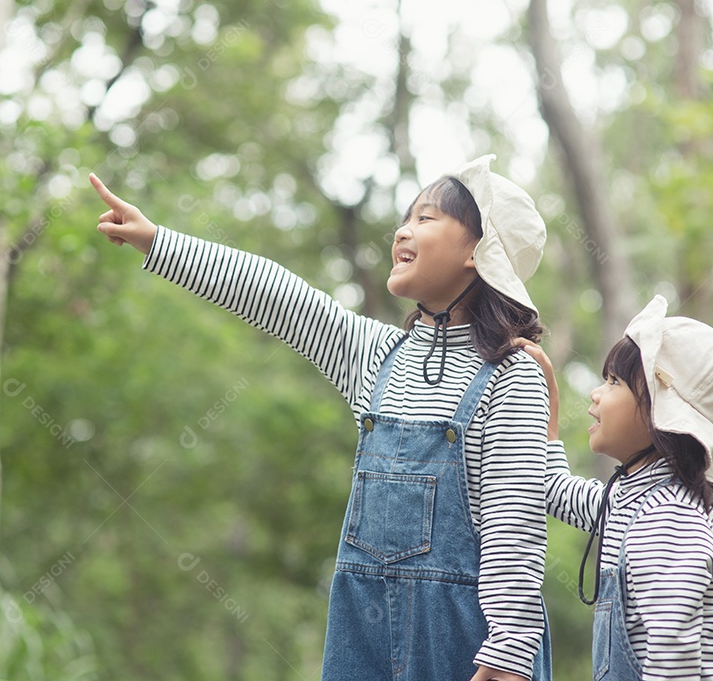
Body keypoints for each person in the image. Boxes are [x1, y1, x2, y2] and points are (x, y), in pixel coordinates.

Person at [91, 153, 553, 681]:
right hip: (363, 631)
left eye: (425, 219)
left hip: (466, 644)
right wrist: (159, 241)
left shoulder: (511, 375)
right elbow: (278, 296)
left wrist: (511, 652)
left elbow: (513, 525)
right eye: (407, 217)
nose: (402, 231)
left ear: (479, 252)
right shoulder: (380, 354)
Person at [518, 295, 713, 681]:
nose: (596, 393)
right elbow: (554, 489)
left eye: (613, 381)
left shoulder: (667, 518)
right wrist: (546, 402)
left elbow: (671, 663)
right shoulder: (632, 500)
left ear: (660, 413)